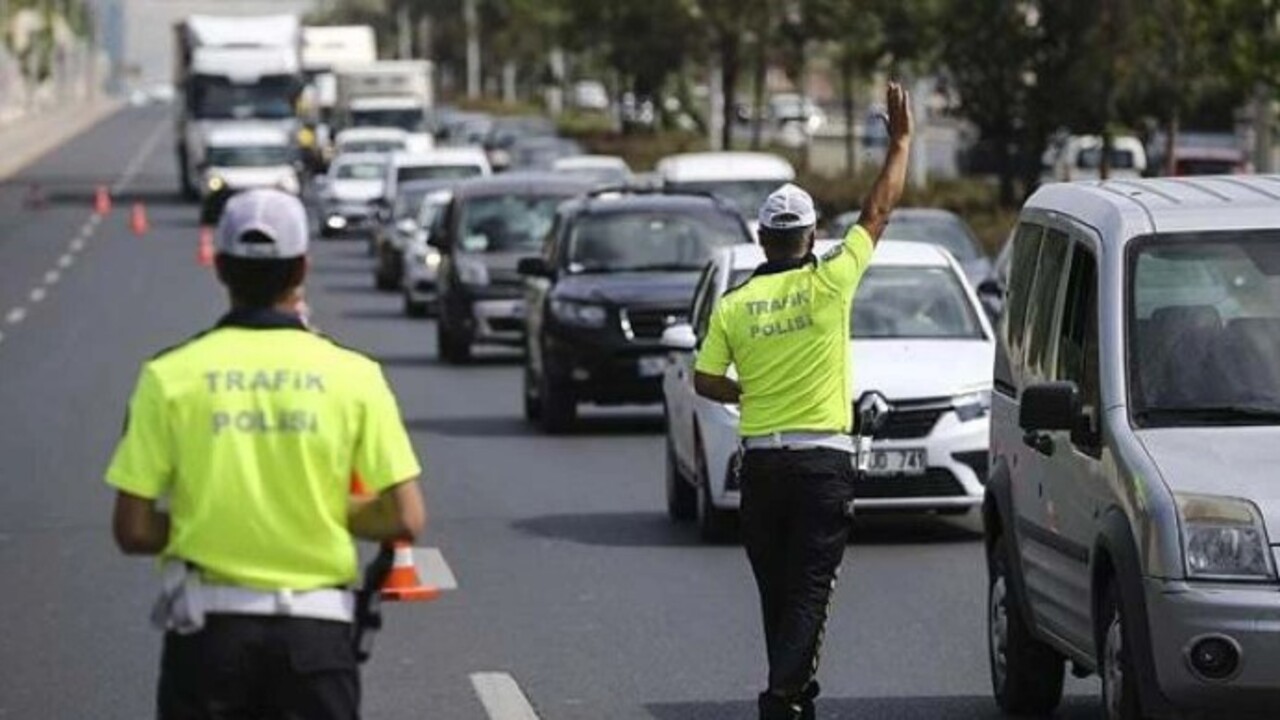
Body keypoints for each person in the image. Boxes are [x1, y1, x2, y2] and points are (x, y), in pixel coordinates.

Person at [106, 188, 427, 719]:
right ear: (302, 269)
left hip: (208, 637)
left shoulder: (168, 377)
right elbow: (405, 517)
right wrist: (314, 511)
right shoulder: (354, 376)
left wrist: (215, 520)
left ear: (220, 267)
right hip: (316, 640)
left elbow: (133, 529)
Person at [693, 82, 913, 720]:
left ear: (763, 240)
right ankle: (781, 697)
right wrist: (900, 143)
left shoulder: (734, 305)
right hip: (822, 464)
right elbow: (878, 211)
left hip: (761, 466)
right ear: (812, 237)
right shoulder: (831, 281)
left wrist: (747, 390)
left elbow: (704, 381)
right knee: (811, 590)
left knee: (779, 591)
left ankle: (793, 700)